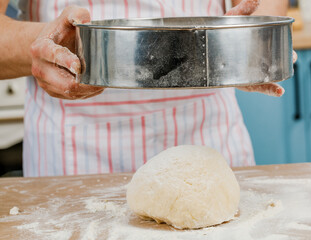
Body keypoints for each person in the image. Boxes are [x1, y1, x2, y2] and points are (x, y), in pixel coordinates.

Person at [0, 0, 289, 177]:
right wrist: (42, 47)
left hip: (208, 136)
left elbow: (263, 6)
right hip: (76, 151)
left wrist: (249, 43)